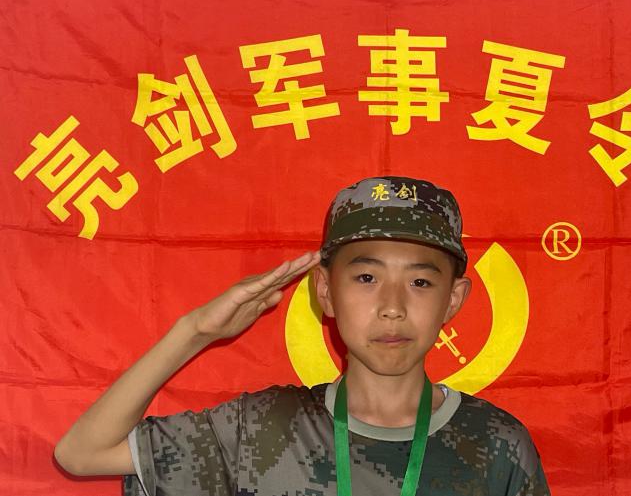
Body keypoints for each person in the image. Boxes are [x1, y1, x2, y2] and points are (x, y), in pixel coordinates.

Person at [54, 176, 550, 496]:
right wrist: (194, 331)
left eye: (420, 282)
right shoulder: (263, 428)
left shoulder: (496, 443)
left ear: (453, 300)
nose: (393, 307)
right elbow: (81, 454)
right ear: (325, 292)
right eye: (366, 277)